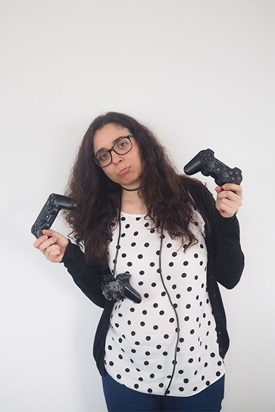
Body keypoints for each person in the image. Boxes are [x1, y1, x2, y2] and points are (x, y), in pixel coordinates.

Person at [34, 111, 244, 412]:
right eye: (103, 156)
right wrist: (70, 256)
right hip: (127, 375)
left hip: (199, 370)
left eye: (121, 144)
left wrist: (227, 219)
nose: (116, 159)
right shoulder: (100, 215)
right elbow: (102, 296)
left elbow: (230, 276)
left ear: (141, 142)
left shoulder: (193, 195)